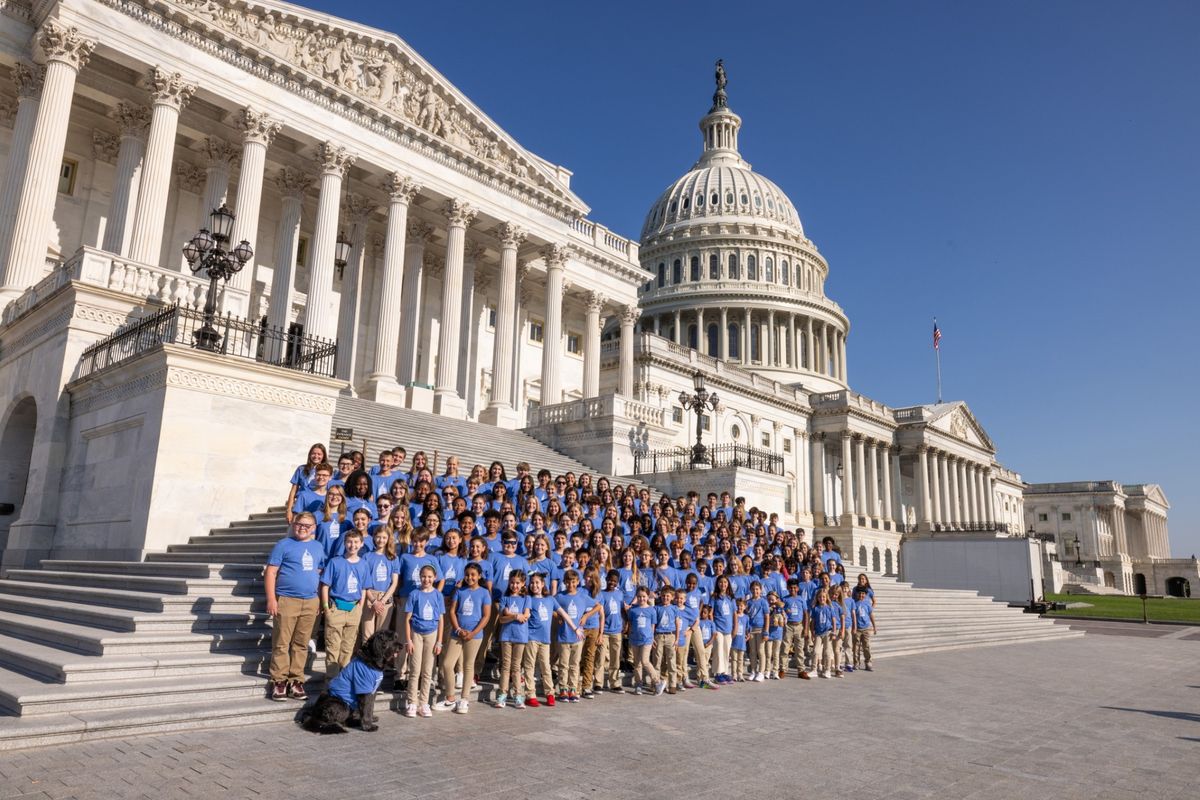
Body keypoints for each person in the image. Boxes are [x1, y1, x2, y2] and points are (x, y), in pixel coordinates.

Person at [265, 512, 326, 701]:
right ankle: (279, 680)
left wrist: (319, 599)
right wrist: (271, 599)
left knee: (301, 643)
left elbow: (319, 572)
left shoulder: (318, 547)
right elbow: (271, 572)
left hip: (310, 601)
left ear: (314, 528)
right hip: (287, 600)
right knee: (282, 642)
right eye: (299, 524)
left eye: (307, 526)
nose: (302, 528)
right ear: (293, 524)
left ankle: (296, 680)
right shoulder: (283, 544)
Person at [319, 528, 371, 684]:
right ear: (344, 543)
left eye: (356, 542)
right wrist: (326, 608)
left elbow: (363, 588)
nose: (352, 545)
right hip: (336, 608)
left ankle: (343, 681)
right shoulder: (335, 562)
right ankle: (331, 682)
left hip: (354, 609)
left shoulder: (364, 564)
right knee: (333, 648)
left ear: (361, 544)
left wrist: (360, 607)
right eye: (349, 542)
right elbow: (325, 586)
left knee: (347, 649)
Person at [438, 562, 490, 714]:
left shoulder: (484, 593)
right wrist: (458, 629)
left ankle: (464, 699)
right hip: (457, 633)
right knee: (447, 664)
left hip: (475, 635)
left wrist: (473, 633)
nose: (470, 577)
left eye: (473, 575)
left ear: (479, 576)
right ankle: (450, 698)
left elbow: (486, 616)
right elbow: (452, 611)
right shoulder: (460, 591)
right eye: (467, 574)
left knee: (468, 666)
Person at [403, 564, 445, 717]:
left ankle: (424, 703)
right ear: (419, 577)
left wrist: (439, 641)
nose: (426, 579)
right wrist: (409, 640)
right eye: (423, 576)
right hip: (416, 634)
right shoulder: (414, 594)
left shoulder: (438, 595)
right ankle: (412, 702)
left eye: (429, 577)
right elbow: (407, 619)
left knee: (427, 671)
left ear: (435, 578)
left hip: (432, 634)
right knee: (415, 670)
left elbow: (441, 620)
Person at [554, 569, 596, 703]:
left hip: (577, 637)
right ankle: (563, 689)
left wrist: (586, 616)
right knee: (563, 664)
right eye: (568, 582)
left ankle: (573, 689)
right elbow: (551, 607)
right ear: (564, 582)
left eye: (573, 582)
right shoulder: (559, 596)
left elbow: (598, 606)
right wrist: (557, 616)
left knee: (574, 664)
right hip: (564, 636)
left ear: (578, 582)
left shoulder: (582, 596)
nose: (570, 585)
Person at [521, 571, 559, 707]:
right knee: (529, 666)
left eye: (537, 582)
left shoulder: (550, 599)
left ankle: (550, 693)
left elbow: (561, 612)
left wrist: (575, 627)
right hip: (531, 637)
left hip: (545, 639)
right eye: (532, 583)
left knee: (546, 666)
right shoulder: (528, 599)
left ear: (543, 584)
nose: (534, 585)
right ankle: (530, 695)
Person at [494, 569, 530, 709]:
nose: (515, 585)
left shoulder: (526, 599)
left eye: (517, 583)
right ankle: (502, 694)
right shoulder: (505, 599)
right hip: (506, 636)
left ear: (523, 583)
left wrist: (509, 614)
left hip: (520, 637)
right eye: (512, 582)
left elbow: (525, 616)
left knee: (516, 667)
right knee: (505, 666)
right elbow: (502, 619)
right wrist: (515, 616)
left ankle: (518, 695)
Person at [360, 527, 399, 641]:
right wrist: (373, 601)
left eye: (384, 537)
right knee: (367, 635)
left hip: (385, 597)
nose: (381, 540)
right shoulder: (367, 556)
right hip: (370, 596)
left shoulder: (393, 557)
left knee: (382, 634)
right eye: (378, 537)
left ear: (388, 539)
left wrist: (382, 601)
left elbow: (394, 582)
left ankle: (378, 653)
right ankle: (367, 653)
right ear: (374, 537)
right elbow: (364, 582)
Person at [626, 586, 662, 696]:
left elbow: (652, 626)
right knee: (637, 663)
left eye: (644, 596)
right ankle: (638, 684)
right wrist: (630, 635)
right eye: (639, 596)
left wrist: (652, 638)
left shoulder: (651, 610)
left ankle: (657, 681)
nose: (641, 599)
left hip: (647, 639)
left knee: (645, 661)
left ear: (648, 597)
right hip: (635, 639)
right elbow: (630, 624)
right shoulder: (633, 610)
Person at [598, 569, 627, 693]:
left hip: (617, 630)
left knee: (615, 658)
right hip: (604, 631)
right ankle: (598, 683)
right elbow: (600, 613)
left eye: (614, 581)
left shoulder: (620, 594)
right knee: (600, 658)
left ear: (617, 582)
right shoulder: (601, 594)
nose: (612, 583)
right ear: (606, 580)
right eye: (610, 580)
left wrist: (626, 622)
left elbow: (622, 610)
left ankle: (614, 682)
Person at [286, 444, 328, 524]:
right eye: (313, 453)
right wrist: (289, 510)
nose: (316, 456)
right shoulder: (301, 469)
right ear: (309, 455)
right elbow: (293, 491)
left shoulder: (327, 472)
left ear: (323, 456)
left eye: (319, 454)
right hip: (301, 506)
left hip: (318, 507)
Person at [652, 586, 680, 694]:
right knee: (657, 661)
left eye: (668, 596)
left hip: (670, 636)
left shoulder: (674, 608)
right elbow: (653, 624)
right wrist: (652, 637)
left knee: (671, 661)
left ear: (672, 597)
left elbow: (677, 624)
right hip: (659, 636)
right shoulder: (656, 608)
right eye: (663, 596)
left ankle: (672, 684)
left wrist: (677, 638)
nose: (665, 598)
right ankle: (655, 684)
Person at [782, 578, 810, 679]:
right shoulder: (785, 599)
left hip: (799, 626)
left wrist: (806, 629)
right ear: (787, 588)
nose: (793, 589)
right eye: (790, 588)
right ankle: (783, 669)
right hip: (788, 626)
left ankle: (801, 670)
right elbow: (780, 611)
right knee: (785, 648)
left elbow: (806, 614)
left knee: (799, 649)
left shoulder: (801, 599)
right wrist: (785, 611)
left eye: (794, 588)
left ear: (798, 588)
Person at [809, 586, 840, 679]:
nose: (821, 598)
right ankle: (814, 670)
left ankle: (827, 670)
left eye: (823, 597)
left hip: (827, 632)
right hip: (818, 633)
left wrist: (834, 632)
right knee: (815, 651)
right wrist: (812, 632)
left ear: (826, 597)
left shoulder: (830, 608)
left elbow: (834, 620)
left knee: (827, 652)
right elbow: (813, 621)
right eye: (820, 597)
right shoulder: (815, 608)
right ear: (817, 598)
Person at [744, 580, 769, 682]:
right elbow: (746, 616)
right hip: (751, 630)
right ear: (750, 590)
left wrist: (766, 631)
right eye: (753, 589)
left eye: (757, 589)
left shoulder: (763, 601)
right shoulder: (748, 602)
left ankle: (761, 672)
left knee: (760, 651)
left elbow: (767, 616)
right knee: (752, 651)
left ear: (761, 590)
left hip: (760, 629)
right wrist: (746, 630)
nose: (755, 591)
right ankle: (753, 671)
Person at [852, 586, 877, 671]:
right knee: (856, 647)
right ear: (856, 594)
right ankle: (856, 663)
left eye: (863, 594)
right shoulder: (854, 603)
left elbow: (871, 615)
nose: (861, 595)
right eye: (859, 593)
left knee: (866, 647)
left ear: (866, 595)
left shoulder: (867, 603)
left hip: (866, 628)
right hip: (857, 628)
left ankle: (868, 663)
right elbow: (852, 616)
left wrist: (874, 626)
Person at [730, 598, 748, 682]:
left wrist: (748, 636)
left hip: (742, 642)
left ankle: (740, 674)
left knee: (740, 659)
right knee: (734, 659)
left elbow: (747, 629)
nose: (739, 607)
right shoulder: (734, 616)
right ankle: (734, 674)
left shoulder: (746, 617)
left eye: (741, 606)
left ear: (745, 607)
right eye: (737, 606)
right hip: (734, 642)